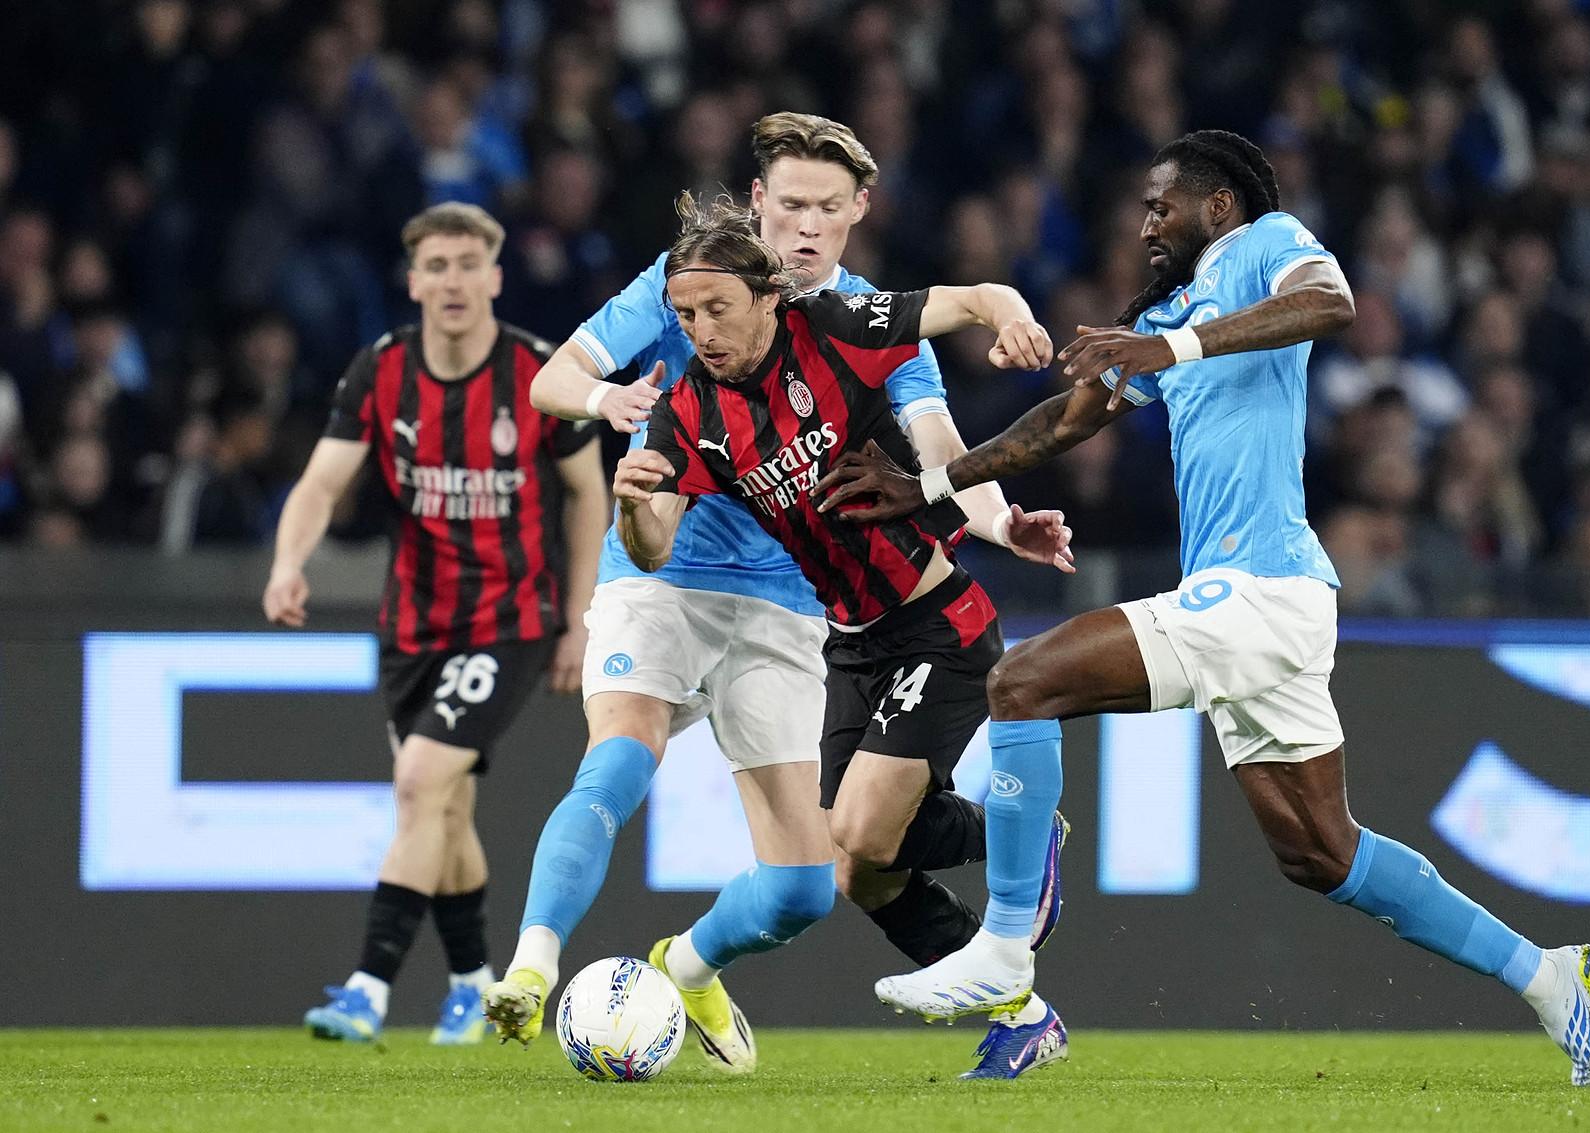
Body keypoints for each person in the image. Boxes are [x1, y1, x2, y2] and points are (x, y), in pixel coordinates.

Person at [814, 130, 1590, 1088]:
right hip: (1263, 602)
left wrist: (1171, 344)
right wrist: (933, 486)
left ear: (1219, 205)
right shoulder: (1171, 308)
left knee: (1021, 681)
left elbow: (1332, 301)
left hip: (1259, 591)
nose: (1146, 226)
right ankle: (1550, 977)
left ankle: (1004, 945)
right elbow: (1064, 420)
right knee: (1320, 852)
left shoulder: (1264, 243)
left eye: (1162, 207)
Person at [482, 114, 1069, 1081]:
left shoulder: (858, 322)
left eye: (826, 209)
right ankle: (531, 967)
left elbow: (939, 446)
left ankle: (690, 966)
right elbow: (561, 383)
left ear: (859, 211)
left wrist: (1003, 523)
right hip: (666, 586)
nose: (806, 226)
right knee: (625, 761)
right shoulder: (685, 294)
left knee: (814, 880)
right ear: (757, 203)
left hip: (799, 606)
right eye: (790, 204)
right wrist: (608, 409)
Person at [263, 202, 606, 1045]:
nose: (453, 281)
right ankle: (472, 982)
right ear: (414, 281)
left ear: (495, 276)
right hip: (413, 627)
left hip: (511, 620)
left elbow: (587, 495)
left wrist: (580, 619)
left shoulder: (539, 373)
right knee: (443, 810)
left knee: (419, 782)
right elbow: (320, 482)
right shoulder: (380, 370)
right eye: (437, 266)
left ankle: (367, 989)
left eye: (468, 264)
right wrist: (287, 562)